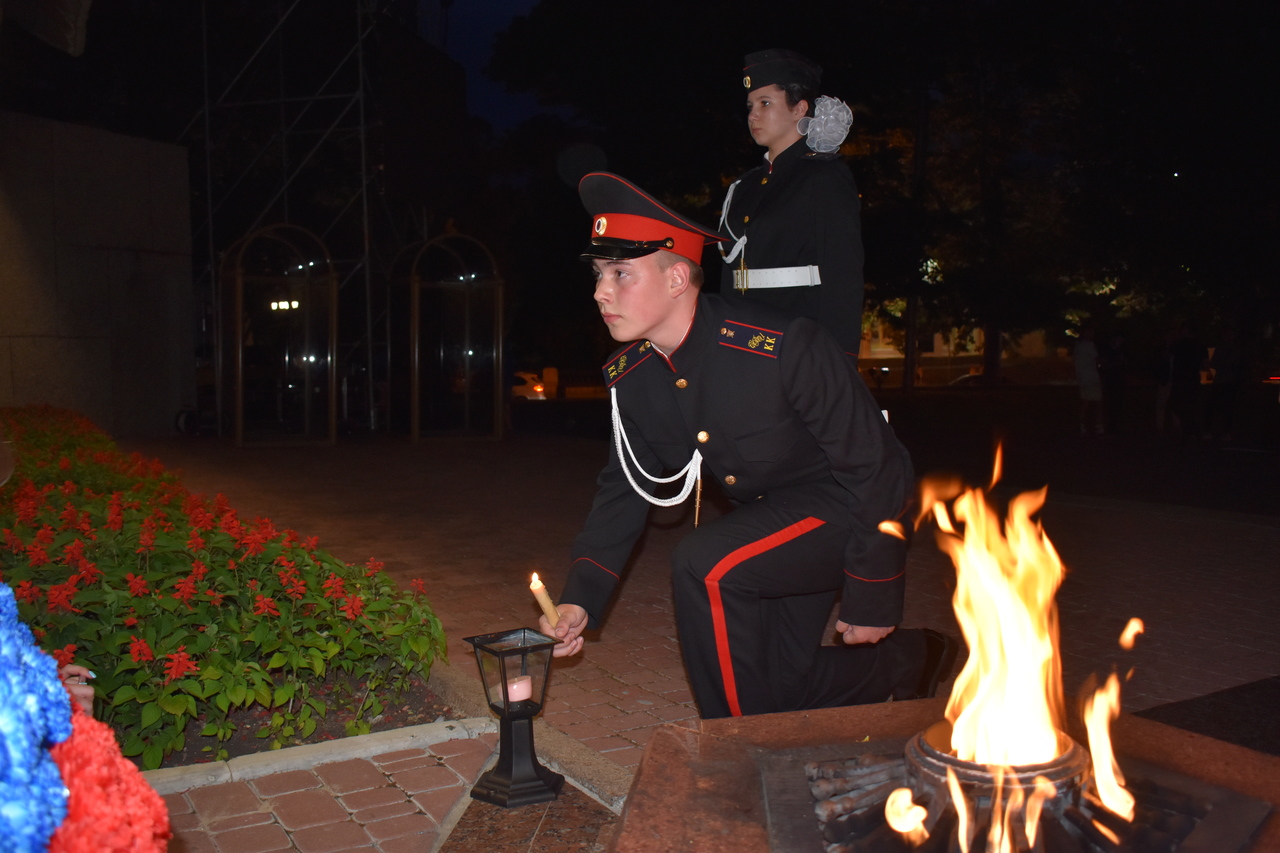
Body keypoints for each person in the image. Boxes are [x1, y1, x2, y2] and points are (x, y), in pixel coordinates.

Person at [541, 172, 955, 719]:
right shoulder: (633, 373)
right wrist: (580, 598)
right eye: (598, 274)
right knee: (778, 687)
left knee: (703, 563)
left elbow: (878, 469)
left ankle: (730, 754)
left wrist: (873, 591)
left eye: (621, 273)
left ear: (677, 278)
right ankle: (912, 660)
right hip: (769, 528)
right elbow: (624, 487)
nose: (600, 291)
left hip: (848, 513)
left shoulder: (781, 346)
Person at [717, 49, 866, 358]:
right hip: (742, 343)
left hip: (798, 345)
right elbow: (731, 277)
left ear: (799, 109)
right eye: (750, 106)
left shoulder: (823, 176)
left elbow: (843, 279)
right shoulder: (743, 187)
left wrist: (838, 365)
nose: (752, 115)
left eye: (765, 103)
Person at [1073, 326, 1103, 437]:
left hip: (1082, 378)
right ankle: (1099, 426)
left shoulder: (1077, 345)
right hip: (1091, 377)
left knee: (1084, 402)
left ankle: (1082, 425)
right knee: (1098, 403)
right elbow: (1097, 359)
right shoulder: (1089, 345)